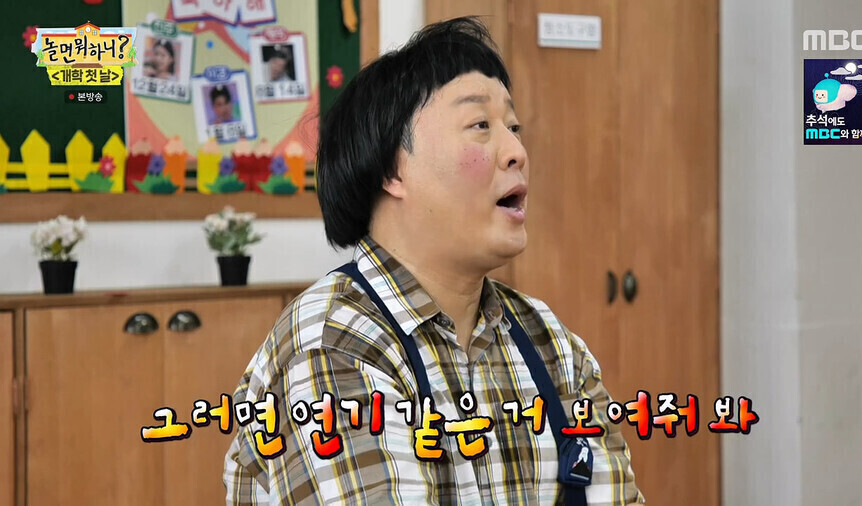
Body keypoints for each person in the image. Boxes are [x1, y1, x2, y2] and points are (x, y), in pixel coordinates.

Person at [223, 17, 643, 505]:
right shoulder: (332, 344)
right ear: (393, 170)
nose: (517, 151)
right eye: (481, 125)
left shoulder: (549, 341)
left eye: (513, 128)